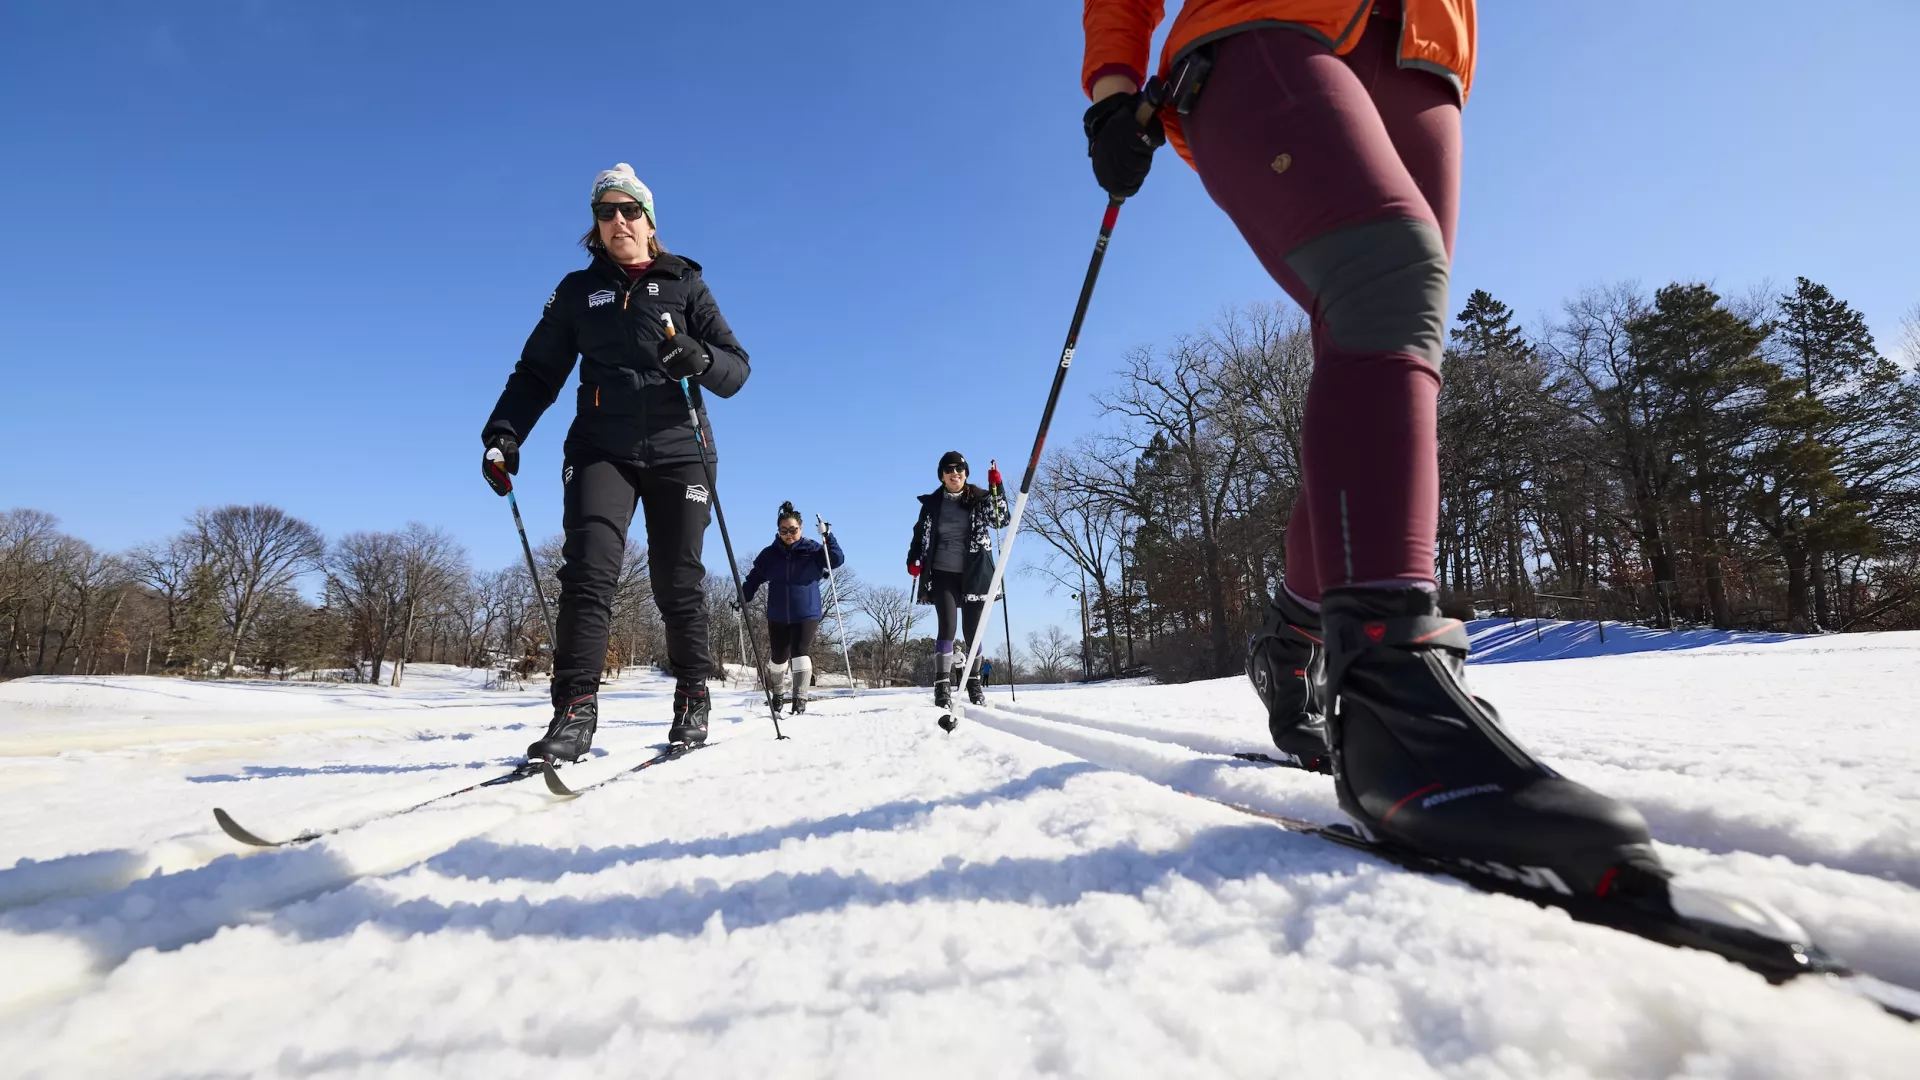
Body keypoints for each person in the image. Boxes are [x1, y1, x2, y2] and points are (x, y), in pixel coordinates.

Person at [1081, 1, 1665, 896]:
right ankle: (1394, 712)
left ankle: (1300, 632)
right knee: (1388, 273)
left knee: (1389, 346)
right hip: (1263, 25)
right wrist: (1113, 86)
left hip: (1427, 51)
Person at [481, 163, 750, 760]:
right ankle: (574, 711)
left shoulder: (685, 284)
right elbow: (536, 373)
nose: (619, 220)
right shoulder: (577, 293)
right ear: (596, 227)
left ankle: (691, 695)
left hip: (682, 448)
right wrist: (504, 435)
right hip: (602, 447)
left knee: (677, 580)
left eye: (630, 211)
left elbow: (737, 368)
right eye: (607, 212)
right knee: (588, 573)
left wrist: (697, 357)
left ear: (650, 224)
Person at [905, 452, 1010, 707]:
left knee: (973, 631)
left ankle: (974, 683)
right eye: (950, 470)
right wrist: (914, 557)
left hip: (975, 572)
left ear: (966, 473)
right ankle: (942, 685)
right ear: (942, 475)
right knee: (948, 626)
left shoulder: (980, 498)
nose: (955, 474)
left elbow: (1000, 520)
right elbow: (919, 535)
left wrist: (997, 487)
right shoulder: (932, 504)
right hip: (942, 572)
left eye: (960, 469)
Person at [741, 501, 846, 714]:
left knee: (800, 652)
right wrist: (742, 598)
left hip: (807, 611)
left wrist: (828, 536)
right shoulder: (769, 555)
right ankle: (778, 693)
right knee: (779, 657)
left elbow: (836, 559)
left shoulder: (813, 550)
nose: (789, 534)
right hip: (778, 613)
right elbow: (753, 580)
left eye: (793, 530)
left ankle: (800, 699)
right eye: (784, 530)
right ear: (778, 531)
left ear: (801, 528)